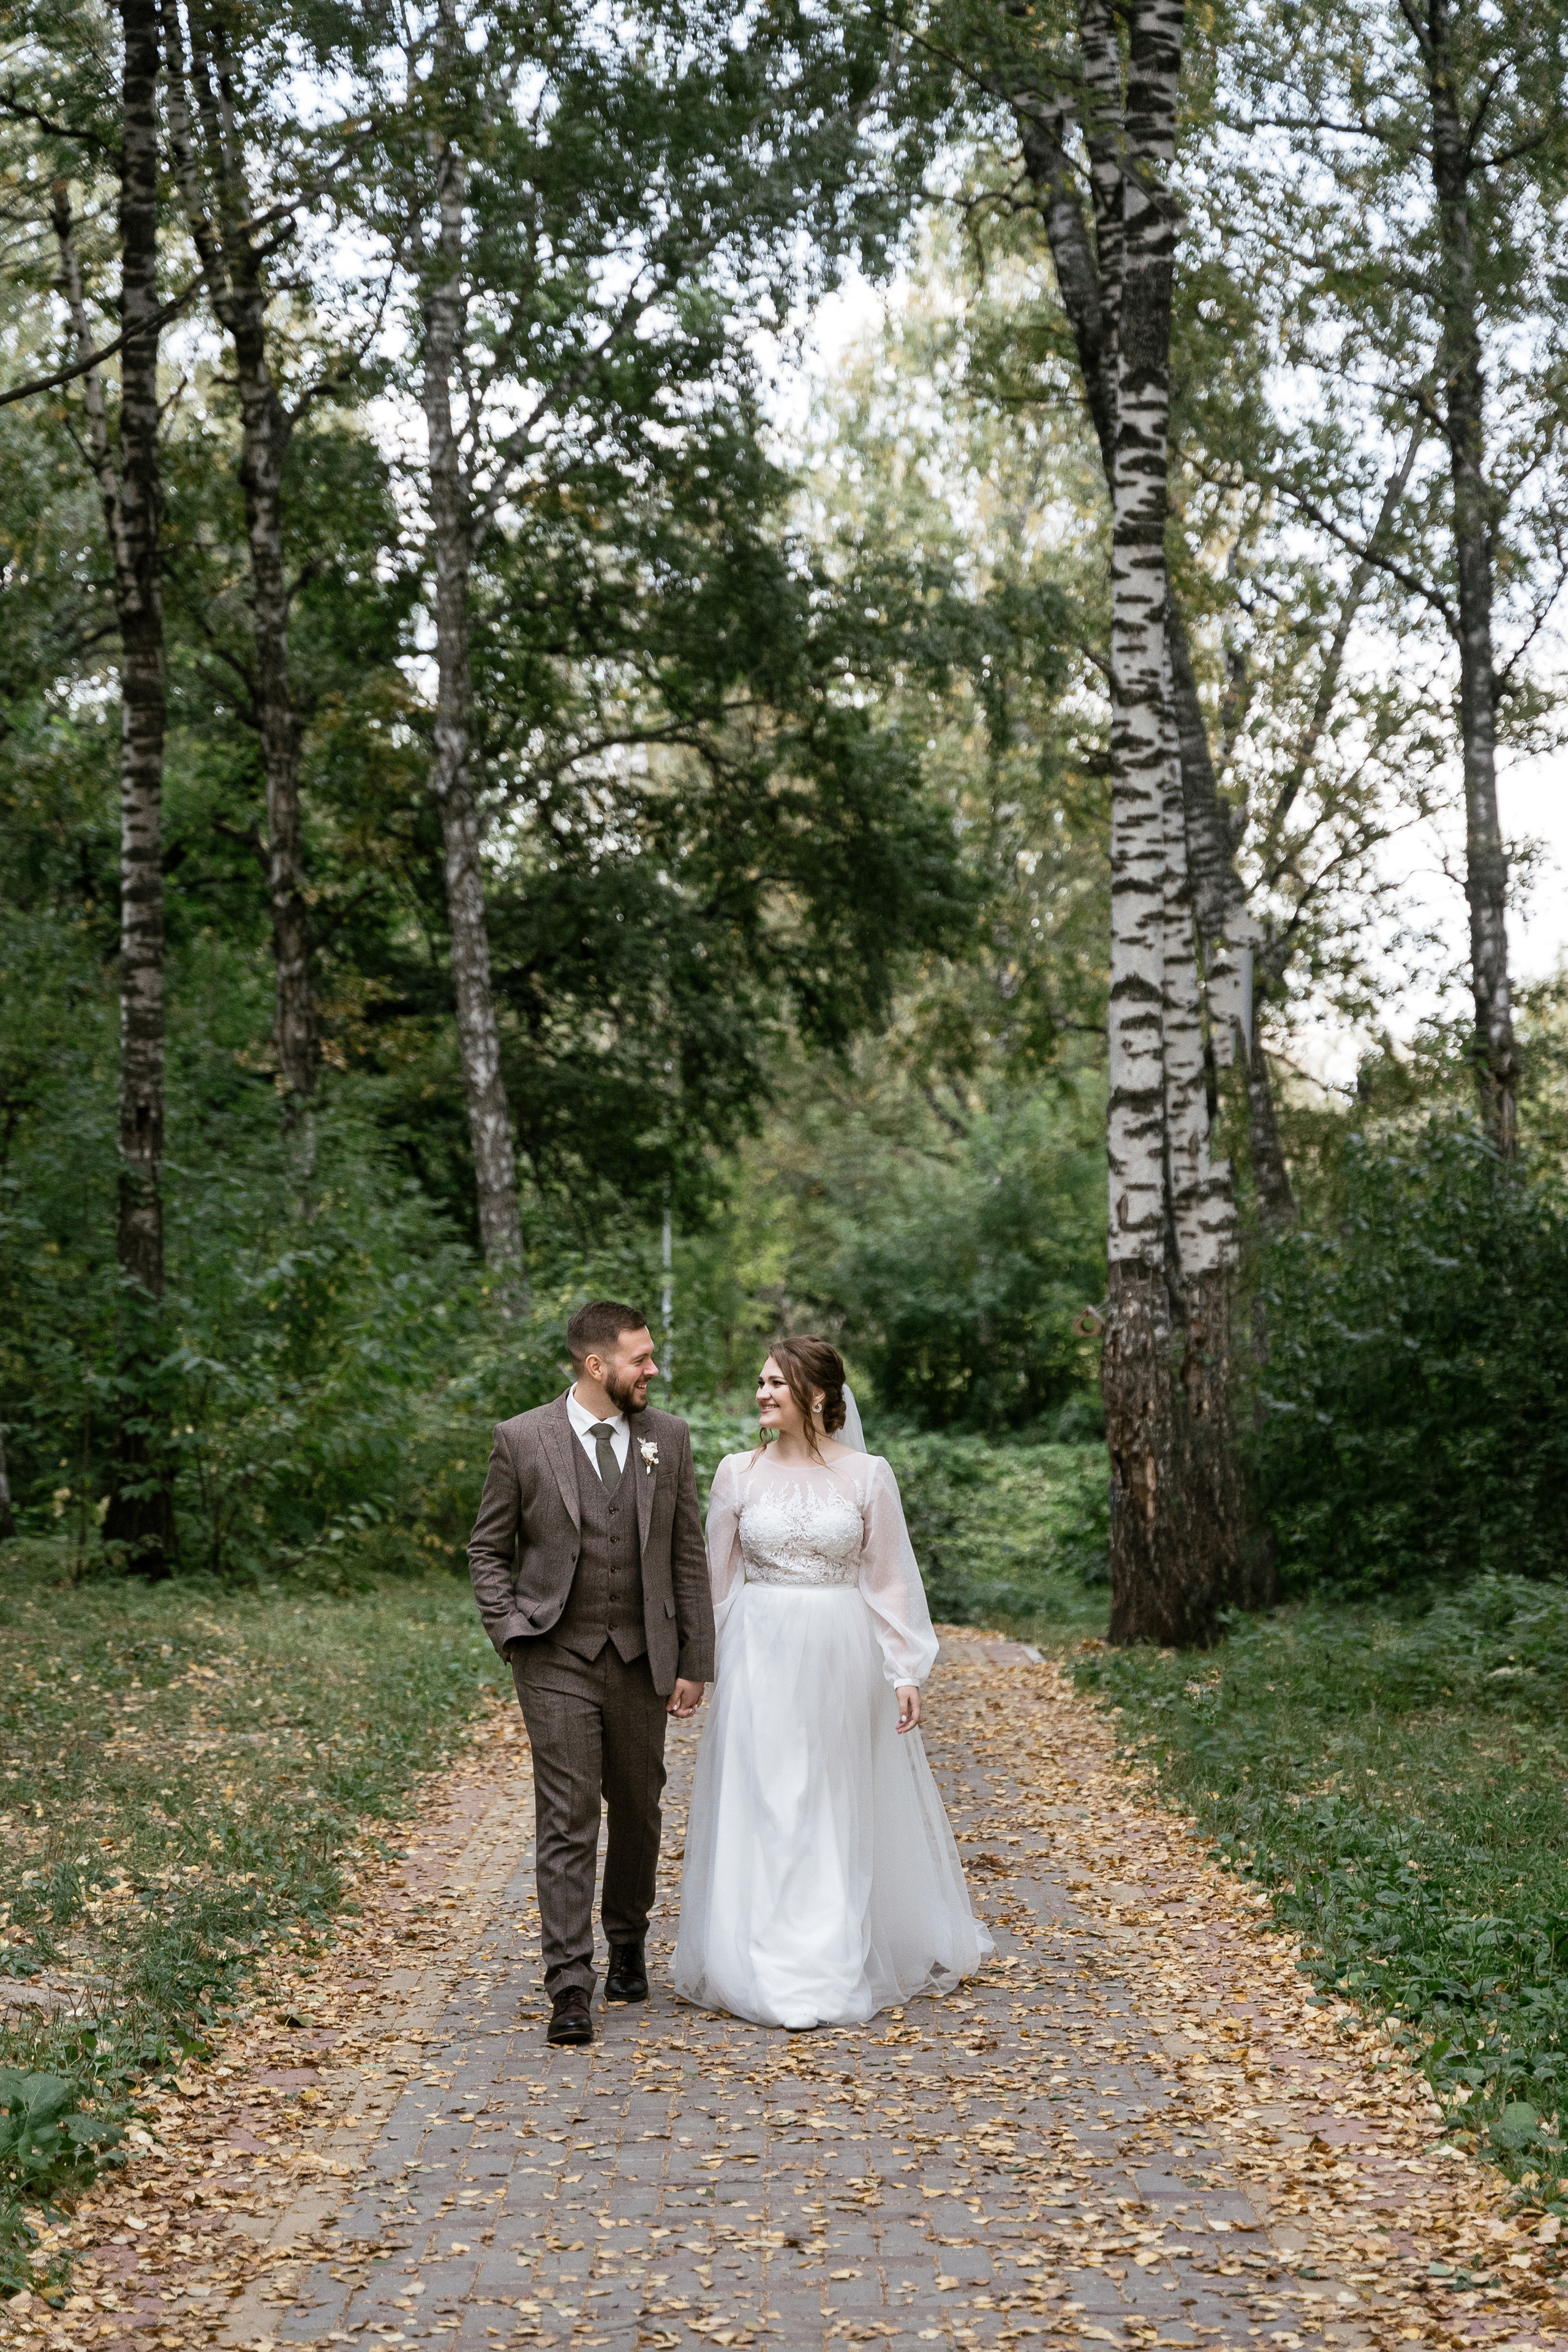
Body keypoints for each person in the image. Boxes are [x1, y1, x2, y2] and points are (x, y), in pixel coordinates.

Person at [673, 1336, 991, 2030]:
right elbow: (713, 1586)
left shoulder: (867, 1475)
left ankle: (829, 1955)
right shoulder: (736, 1474)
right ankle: (754, 1957)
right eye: (760, 1382)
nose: (762, 1393)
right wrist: (696, 1666)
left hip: (841, 1652)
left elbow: (889, 1579)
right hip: (760, 1653)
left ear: (816, 1394)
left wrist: (904, 1670)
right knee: (767, 1797)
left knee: (829, 1796)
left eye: (775, 1384)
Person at [467, 1302, 715, 2047]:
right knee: (568, 1815)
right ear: (594, 1365)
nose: (653, 1369)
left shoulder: (666, 1438)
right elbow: (487, 1549)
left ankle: (628, 1938)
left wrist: (696, 1661)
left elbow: (686, 1553)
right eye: (640, 1358)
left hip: (643, 1659)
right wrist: (512, 1631)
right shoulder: (522, 1439)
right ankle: (569, 1984)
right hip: (554, 1655)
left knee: (638, 1808)